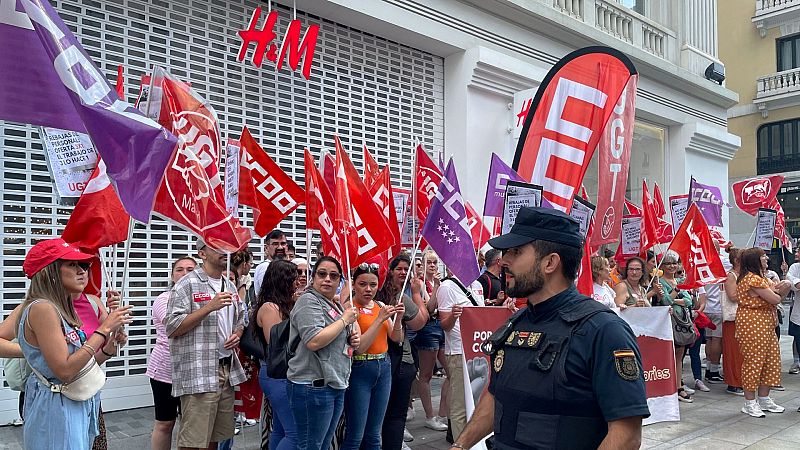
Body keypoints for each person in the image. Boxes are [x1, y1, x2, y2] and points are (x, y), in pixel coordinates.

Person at [451, 207, 649, 450]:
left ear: (550, 262)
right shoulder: (517, 322)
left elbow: (626, 435)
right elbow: (495, 395)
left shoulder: (604, 331)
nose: (504, 261)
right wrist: (460, 445)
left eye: (516, 252)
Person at [17, 238, 131, 449]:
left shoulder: (62, 308)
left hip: (76, 399)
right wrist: (103, 329)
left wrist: (108, 347)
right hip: (55, 404)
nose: (83, 271)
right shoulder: (42, 308)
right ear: (49, 271)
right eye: (72, 264)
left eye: (84, 265)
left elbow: (82, 367)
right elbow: (65, 371)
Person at [165, 239, 247, 450]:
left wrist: (237, 333)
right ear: (202, 254)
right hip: (199, 371)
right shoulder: (187, 284)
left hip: (225, 370)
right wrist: (208, 307)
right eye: (216, 247)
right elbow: (172, 327)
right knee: (193, 441)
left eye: (225, 247)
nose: (224, 251)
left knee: (214, 438)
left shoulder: (228, 284)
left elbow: (241, 317)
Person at [288, 256, 361, 450]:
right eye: (322, 274)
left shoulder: (331, 303)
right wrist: (344, 320)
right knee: (312, 445)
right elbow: (314, 341)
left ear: (340, 281)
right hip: (312, 385)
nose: (327, 279)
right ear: (313, 278)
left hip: (333, 382)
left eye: (333, 276)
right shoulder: (308, 301)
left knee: (324, 443)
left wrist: (351, 338)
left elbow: (335, 334)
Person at [342, 263, 404, 449]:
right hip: (360, 368)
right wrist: (379, 319)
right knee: (355, 434)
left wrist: (399, 317)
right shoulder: (349, 308)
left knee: (375, 433)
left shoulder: (380, 305)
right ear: (353, 285)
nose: (368, 289)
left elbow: (396, 337)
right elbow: (359, 347)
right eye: (362, 284)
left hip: (383, 366)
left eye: (373, 284)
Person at [376, 255, 429, 450]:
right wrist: (416, 294)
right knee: (395, 415)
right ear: (388, 271)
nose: (404, 272)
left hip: (378, 360)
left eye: (407, 269)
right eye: (399, 268)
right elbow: (420, 322)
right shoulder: (399, 297)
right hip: (399, 361)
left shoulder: (370, 292)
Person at [147, 257, 197, 450]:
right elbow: (174, 325)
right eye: (179, 270)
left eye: (190, 269)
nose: (185, 274)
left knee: (191, 424)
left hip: (193, 371)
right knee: (165, 423)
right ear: (172, 275)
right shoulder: (164, 299)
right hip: (165, 370)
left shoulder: (204, 297)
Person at [735, 247, 791, 417]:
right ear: (755, 260)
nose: (766, 258)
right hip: (752, 323)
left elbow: (778, 289)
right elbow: (775, 298)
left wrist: (784, 284)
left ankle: (764, 398)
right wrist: (784, 288)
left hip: (766, 323)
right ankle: (750, 402)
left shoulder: (762, 278)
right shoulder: (752, 279)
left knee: (771, 359)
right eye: (763, 256)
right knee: (754, 361)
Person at [255, 259, 299, 450]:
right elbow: (277, 343)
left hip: (285, 373)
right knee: (296, 434)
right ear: (282, 280)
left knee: (281, 429)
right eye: (293, 279)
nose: (297, 283)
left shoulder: (284, 305)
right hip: (277, 373)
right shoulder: (269, 308)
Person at [438, 269, 484, 443]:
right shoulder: (447, 286)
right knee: (459, 405)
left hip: (477, 349)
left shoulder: (477, 285)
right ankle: (459, 444)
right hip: (458, 351)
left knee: (477, 401)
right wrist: (453, 316)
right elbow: (444, 325)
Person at [415, 251, 449, 432]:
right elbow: (428, 309)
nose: (433, 266)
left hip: (442, 326)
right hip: (428, 328)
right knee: (426, 374)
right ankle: (429, 416)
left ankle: (442, 413)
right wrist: (436, 288)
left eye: (435, 262)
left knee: (451, 371)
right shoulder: (420, 284)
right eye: (429, 262)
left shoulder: (440, 283)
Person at [657, 251, 695, 403]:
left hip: (682, 322)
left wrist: (675, 296)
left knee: (679, 355)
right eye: (668, 263)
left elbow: (689, 301)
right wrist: (677, 292)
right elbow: (665, 301)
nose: (672, 266)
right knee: (669, 355)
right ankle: (670, 386)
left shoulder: (679, 281)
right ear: (662, 266)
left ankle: (679, 386)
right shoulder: (659, 282)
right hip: (668, 321)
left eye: (674, 263)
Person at [703, 241, 728, 385]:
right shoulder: (722, 261)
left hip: (706, 305)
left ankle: (708, 369)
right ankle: (713, 371)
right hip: (718, 305)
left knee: (710, 339)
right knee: (717, 339)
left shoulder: (702, 262)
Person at [722, 247, 745, 396]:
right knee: (733, 351)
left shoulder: (742, 274)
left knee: (742, 351)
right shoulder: (731, 276)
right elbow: (732, 296)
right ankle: (733, 382)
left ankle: (741, 380)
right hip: (732, 318)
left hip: (742, 317)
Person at [254, 229, 289, 296]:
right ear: (266, 248)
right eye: (275, 244)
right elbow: (271, 295)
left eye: (283, 244)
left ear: (287, 247)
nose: (280, 247)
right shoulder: (265, 267)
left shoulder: (284, 266)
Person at [785, 246, 800, 376]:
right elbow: (795, 285)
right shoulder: (795, 267)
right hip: (798, 313)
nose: (796, 253)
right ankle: (796, 362)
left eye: (798, 251)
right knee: (797, 337)